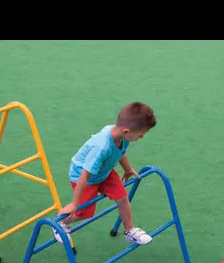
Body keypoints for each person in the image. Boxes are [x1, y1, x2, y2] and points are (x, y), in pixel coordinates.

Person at [54, 101, 157, 245]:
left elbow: (120, 152)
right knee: (85, 212)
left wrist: (127, 169)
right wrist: (74, 203)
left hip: (104, 171)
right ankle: (61, 222)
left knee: (122, 198)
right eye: (140, 135)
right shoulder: (101, 147)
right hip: (85, 177)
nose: (141, 138)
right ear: (126, 131)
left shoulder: (121, 135)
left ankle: (129, 231)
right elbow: (84, 175)